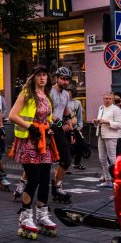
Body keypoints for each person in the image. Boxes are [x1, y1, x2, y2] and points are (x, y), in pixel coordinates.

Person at [8, 64, 59, 238]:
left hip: (44, 142)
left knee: (45, 179)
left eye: (45, 75)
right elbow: (12, 115)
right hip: (29, 142)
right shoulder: (26, 94)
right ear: (33, 78)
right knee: (33, 179)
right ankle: (25, 216)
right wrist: (30, 126)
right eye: (39, 75)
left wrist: (51, 127)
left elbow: (48, 118)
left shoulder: (47, 96)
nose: (42, 78)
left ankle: (43, 215)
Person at [49, 67, 76, 202]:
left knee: (66, 159)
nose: (65, 82)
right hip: (47, 129)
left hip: (58, 129)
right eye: (63, 79)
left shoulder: (66, 94)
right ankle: (22, 183)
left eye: (67, 80)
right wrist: (55, 122)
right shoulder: (49, 92)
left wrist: (71, 131)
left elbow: (66, 112)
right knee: (40, 160)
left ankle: (57, 187)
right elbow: (45, 111)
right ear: (56, 78)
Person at [93, 92, 121, 187]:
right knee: (102, 158)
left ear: (113, 100)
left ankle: (117, 179)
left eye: (109, 98)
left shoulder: (116, 109)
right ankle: (107, 179)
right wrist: (96, 122)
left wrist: (107, 122)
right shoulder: (101, 108)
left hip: (111, 135)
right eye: (105, 98)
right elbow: (99, 121)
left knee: (112, 158)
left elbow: (120, 125)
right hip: (101, 134)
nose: (107, 100)